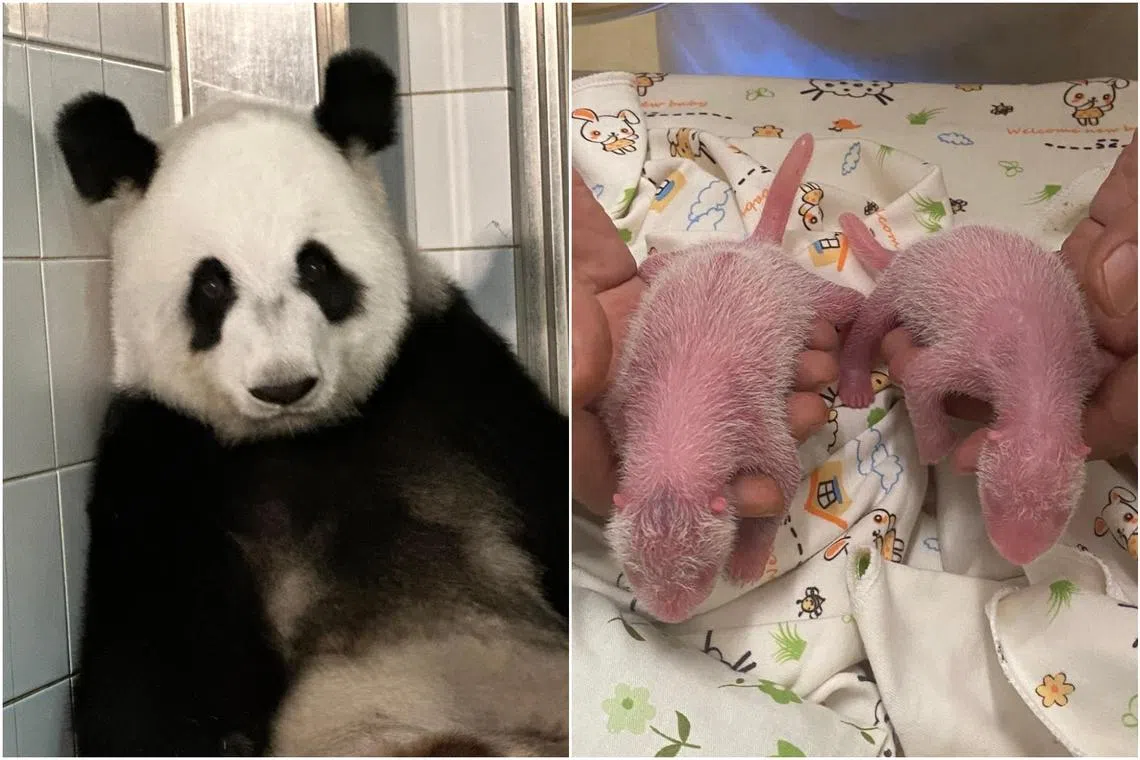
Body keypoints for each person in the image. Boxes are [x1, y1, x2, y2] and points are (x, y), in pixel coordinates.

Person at [571, 136, 1137, 517]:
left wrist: (932, 433)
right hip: (925, 270)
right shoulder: (1074, 370)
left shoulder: (1079, 366)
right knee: (863, 313)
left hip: (744, 283)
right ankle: (855, 331)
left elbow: (922, 379)